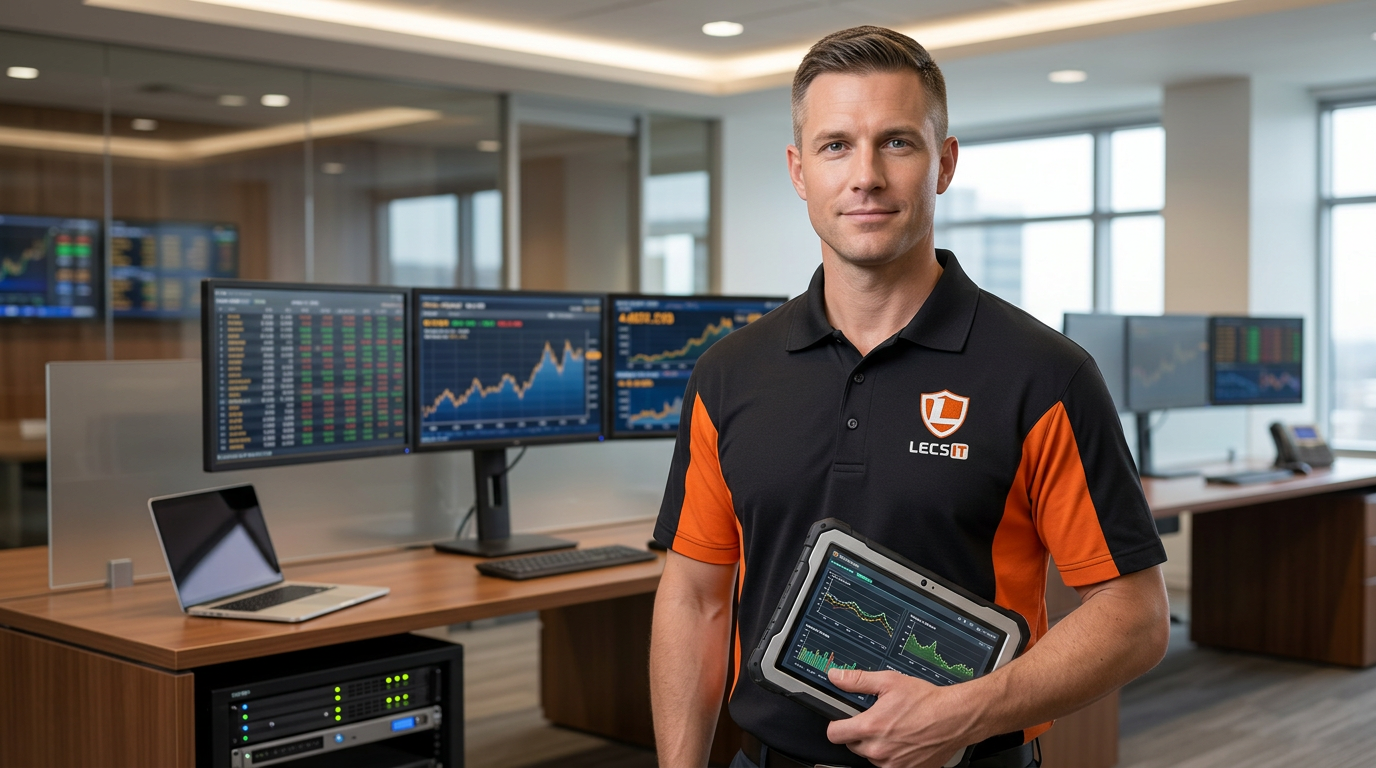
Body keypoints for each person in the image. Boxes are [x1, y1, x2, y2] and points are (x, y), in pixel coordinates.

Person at [648, 25, 1171, 768]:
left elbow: (1136, 617)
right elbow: (695, 597)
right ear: (799, 172)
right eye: (836, 146)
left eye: (896, 142)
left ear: (943, 162)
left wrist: (962, 713)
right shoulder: (729, 374)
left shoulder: (1044, 374)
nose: (865, 176)